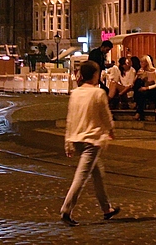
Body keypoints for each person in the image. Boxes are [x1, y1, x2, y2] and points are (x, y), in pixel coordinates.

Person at [59, 60, 119, 226]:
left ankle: (107, 209)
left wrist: (67, 142)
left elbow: (70, 119)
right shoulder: (98, 93)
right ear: (95, 75)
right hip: (91, 141)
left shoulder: (75, 93)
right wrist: (111, 131)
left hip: (76, 139)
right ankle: (66, 209)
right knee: (81, 176)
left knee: (98, 173)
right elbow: (106, 115)